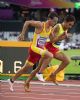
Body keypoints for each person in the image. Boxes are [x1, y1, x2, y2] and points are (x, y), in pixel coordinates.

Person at [8, 12, 58, 92]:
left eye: (56, 22)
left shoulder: (51, 29)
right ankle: (39, 73)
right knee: (50, 55)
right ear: (49, 19)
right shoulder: (40, 25)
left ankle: (11, 80)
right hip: (34, 48)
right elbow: (27, 22)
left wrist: (61, 37)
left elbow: (52, 40)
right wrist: (22, 34)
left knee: (25, 68)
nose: (55, 23)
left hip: (38, 52)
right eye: (54, 21)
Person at [25, 15, 75, 90]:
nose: (70, 26)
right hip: (48, 47)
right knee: (38, 68)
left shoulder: (65, 28)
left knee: (67, 61)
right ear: (65, 22)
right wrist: (61, 37)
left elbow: (61, 39)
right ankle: (27, 82)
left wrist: (65, 37)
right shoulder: (58, 27)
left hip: (55, 49)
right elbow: (52, 40)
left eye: (72, 25)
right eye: (69, 24)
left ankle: (53, 74)